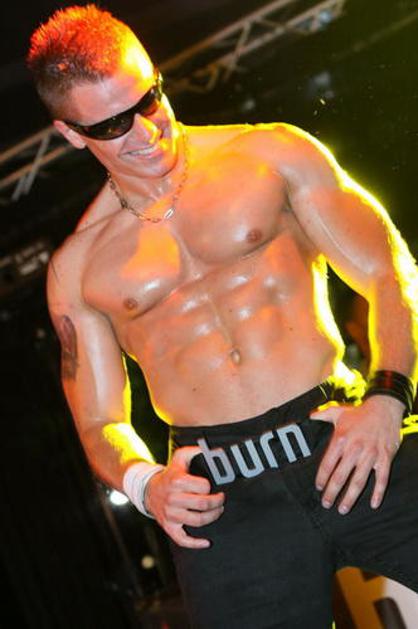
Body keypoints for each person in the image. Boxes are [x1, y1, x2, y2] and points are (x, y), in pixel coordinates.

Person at [27, 5, 418, 628]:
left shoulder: (270, 154)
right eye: (114, 125)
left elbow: (389, 271)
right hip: (222, 497)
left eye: (149, 99)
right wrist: (146, 484)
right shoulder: (78, 267)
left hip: (349, 435)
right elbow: (99, 421)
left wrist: (388, 398)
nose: (147, 132)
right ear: (72, 134)